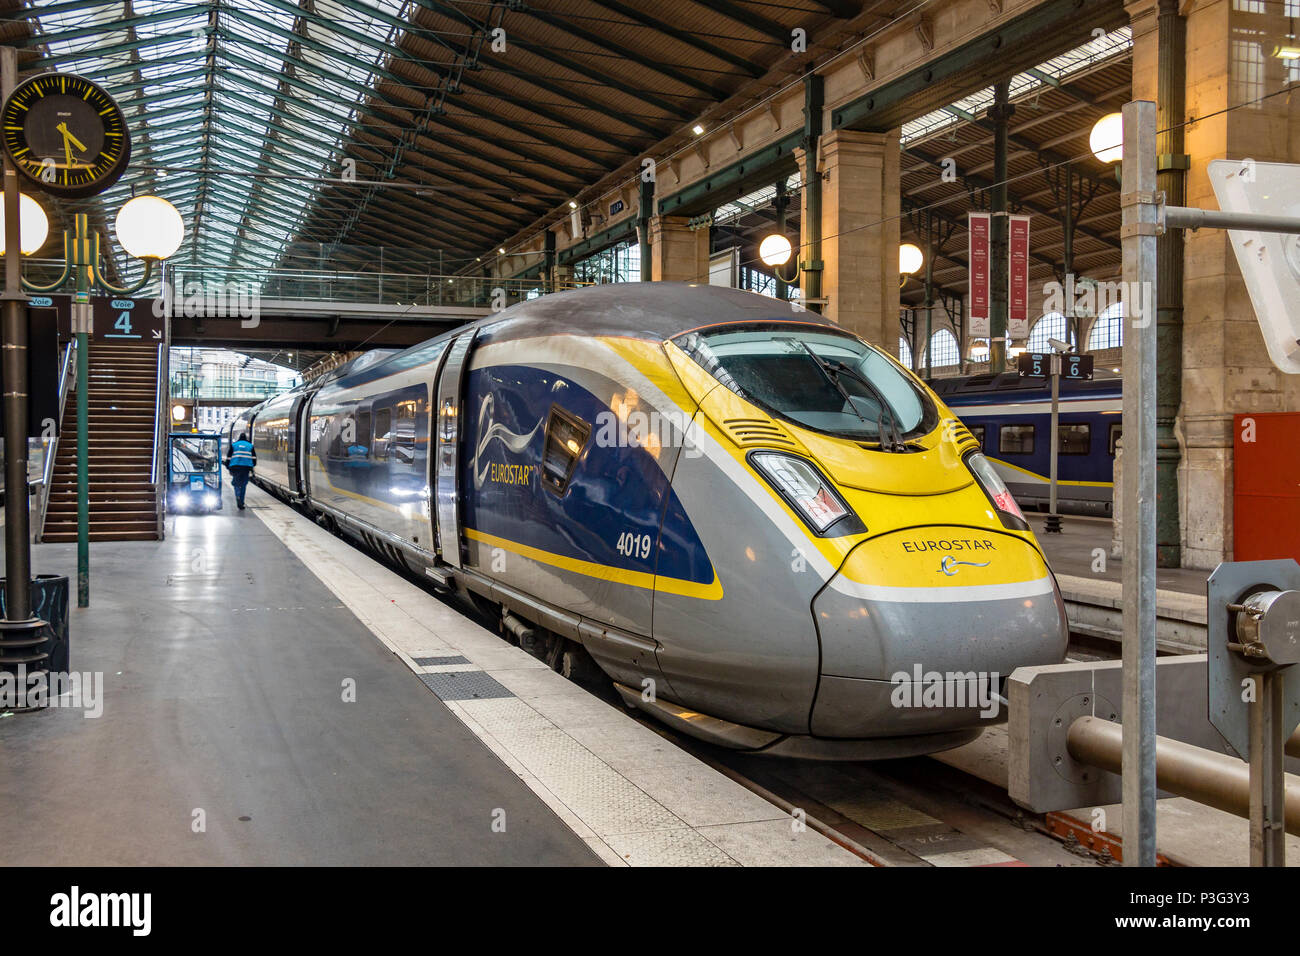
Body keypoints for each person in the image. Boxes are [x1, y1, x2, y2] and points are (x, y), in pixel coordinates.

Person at [225, 432, 257, 510]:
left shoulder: (234, 445)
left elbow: (228, 457)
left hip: (235, 467)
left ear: (239, 438)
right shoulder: (250, 446)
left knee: (236, 483)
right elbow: (254, 458)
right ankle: (241, 501)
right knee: (243, 485)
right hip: (246, 468)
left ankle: (238, 496)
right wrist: (252, 467)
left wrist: (228, 467)